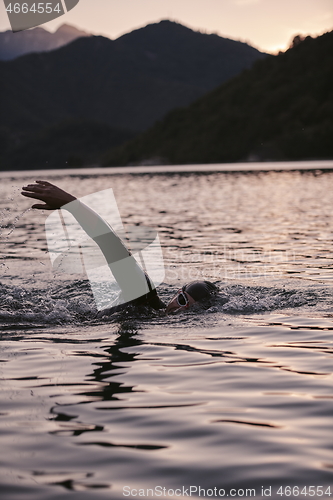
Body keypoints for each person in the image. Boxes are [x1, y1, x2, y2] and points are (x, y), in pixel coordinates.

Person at [21, 180, 218, 315]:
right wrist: (72, 204)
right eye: (181, 301)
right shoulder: (144, 295)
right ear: (176, 294)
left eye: (189, 310)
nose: (179, 310)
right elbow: (110, 244)